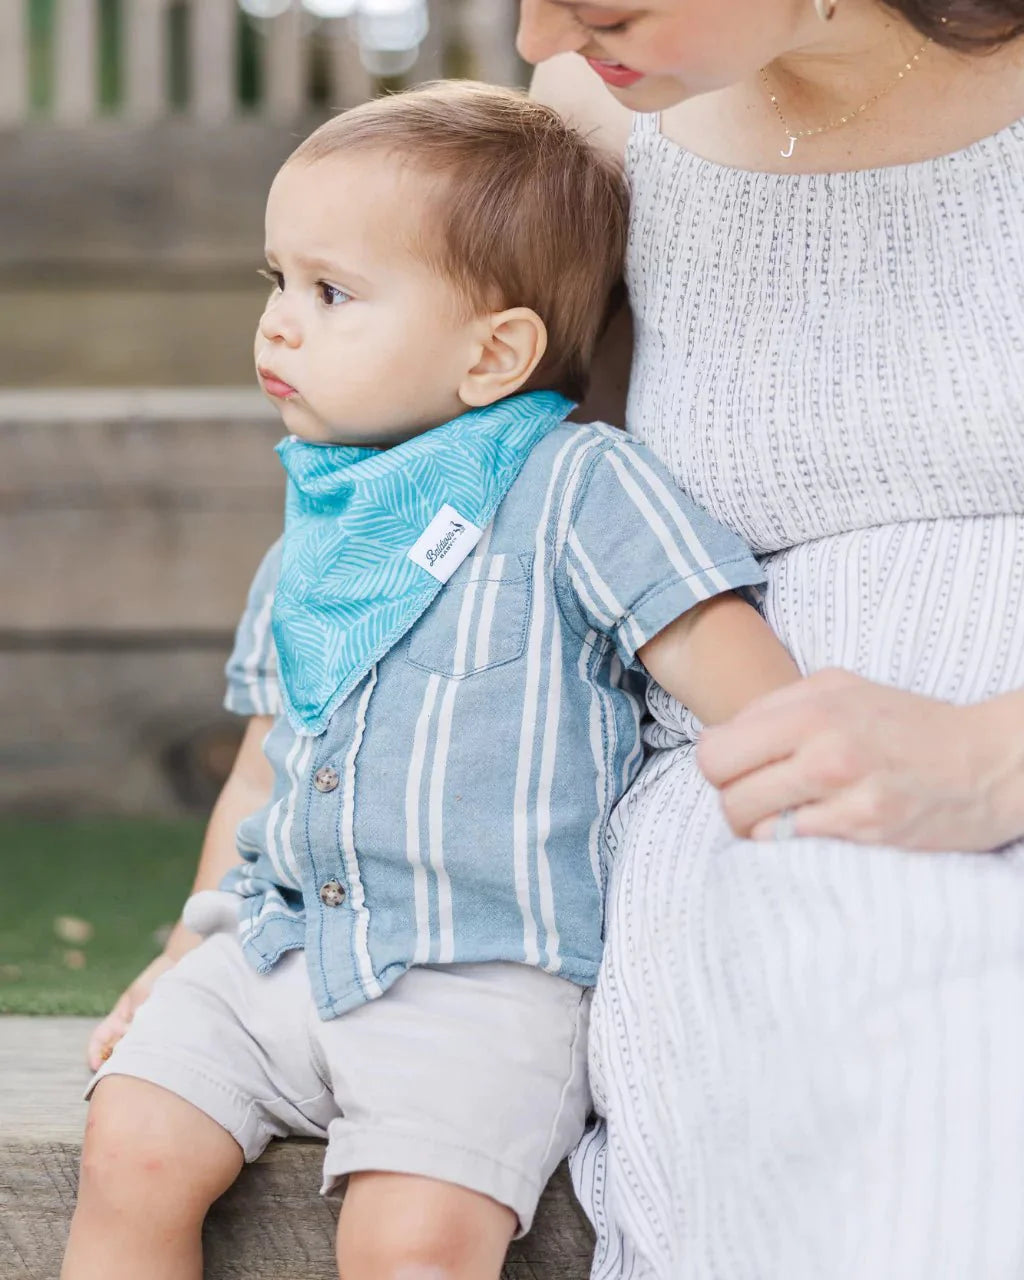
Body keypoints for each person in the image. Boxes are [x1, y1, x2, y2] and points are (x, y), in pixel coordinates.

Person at [63, 82, 799, 1280]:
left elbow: (753, 694)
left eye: (331, 292)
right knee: (130, 1145)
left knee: (412, 1242)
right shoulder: (319, 524)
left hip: (479, 982)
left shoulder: (574, 486)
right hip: (276, 952)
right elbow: (262, 764)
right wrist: (182, 948)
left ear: (493, 351)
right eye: (275, 281)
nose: (278, 325)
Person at [517, 1, 1024, 1276]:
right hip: (766, 818)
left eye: (596, 1)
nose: (536, 40)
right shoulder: (601, 129)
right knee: (900, 1006)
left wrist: (987, 757)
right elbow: (442, 507)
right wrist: (244, 901)